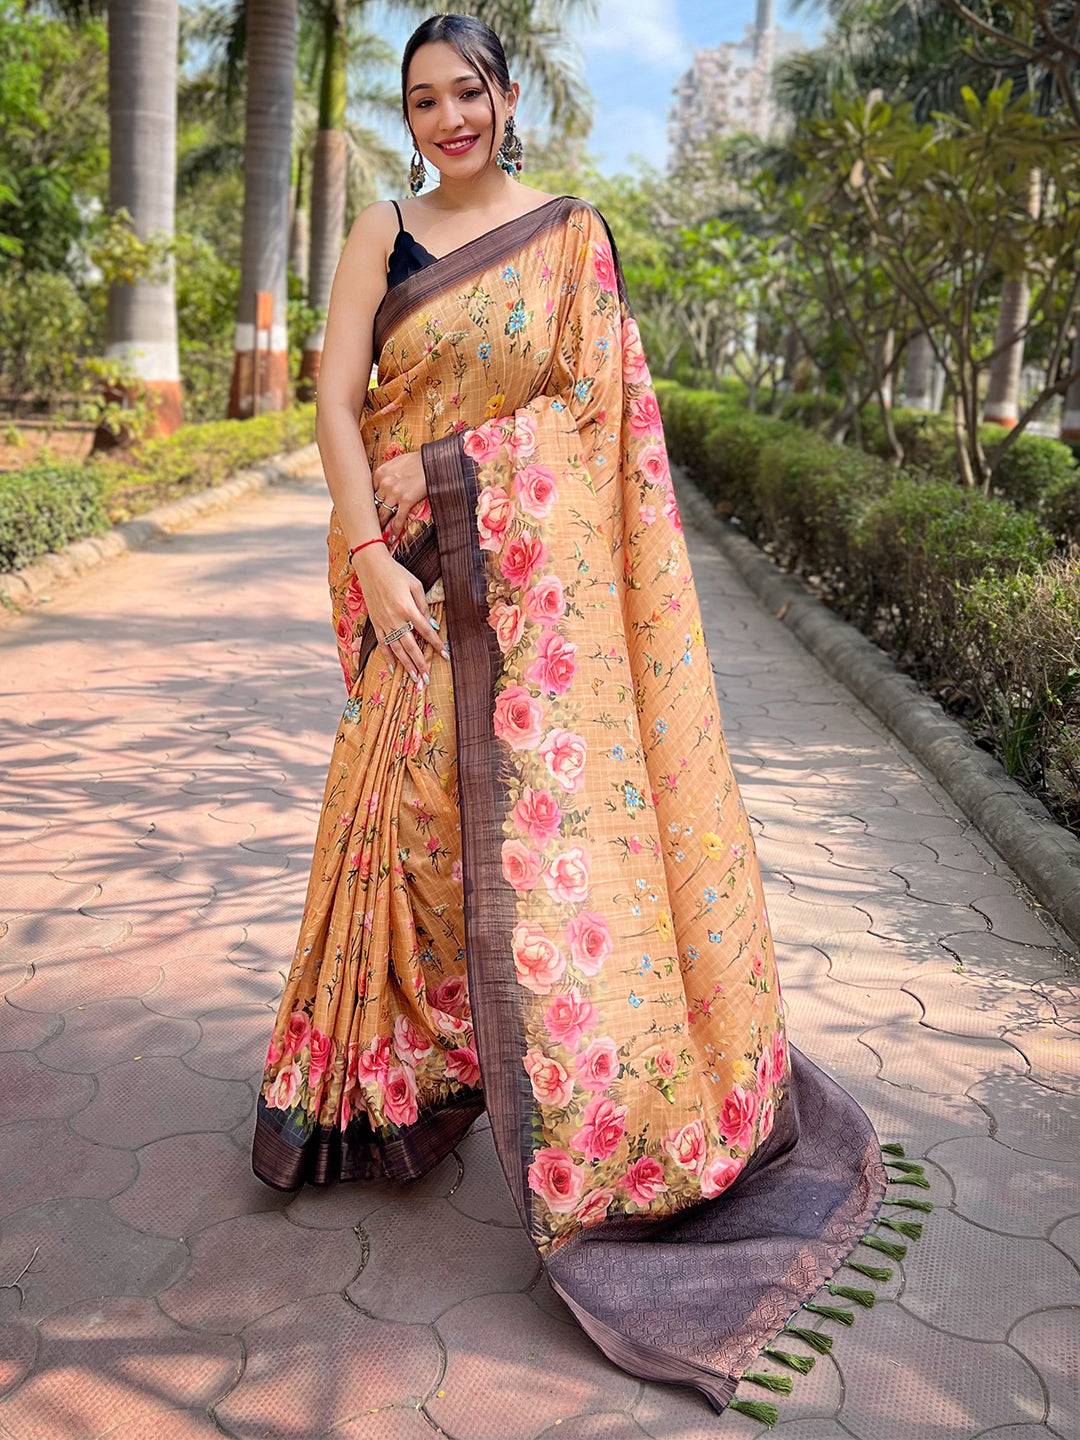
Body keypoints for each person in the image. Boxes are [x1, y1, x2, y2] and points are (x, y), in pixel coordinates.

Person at [251, 12, 931, 1424]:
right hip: (413, 587)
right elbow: (329, 392)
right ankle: (391, 1081)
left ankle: (567, 1087)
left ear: (509, 100)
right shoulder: (386, 232)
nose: (448, 119)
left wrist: (445, 470)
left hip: (529, 608)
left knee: (528, 859)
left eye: (468, 95)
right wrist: (373, 555)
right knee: (401, 818)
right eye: (422, 98)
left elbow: (594, 421)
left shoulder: (569, 239)